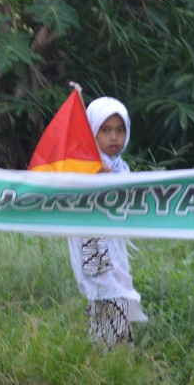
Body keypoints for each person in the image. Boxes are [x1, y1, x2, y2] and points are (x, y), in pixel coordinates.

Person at [66, 97, 146, 346]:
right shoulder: (81, 165)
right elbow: (73, 200)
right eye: (106, 130)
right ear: (92, 131)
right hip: (92, 247)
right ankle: (107, 354)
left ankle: (111, 355)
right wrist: (93, 177)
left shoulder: (121, 168)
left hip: (115, 247)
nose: (114, 137)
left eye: (120, 130)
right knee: (107, 296)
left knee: (117, 294)